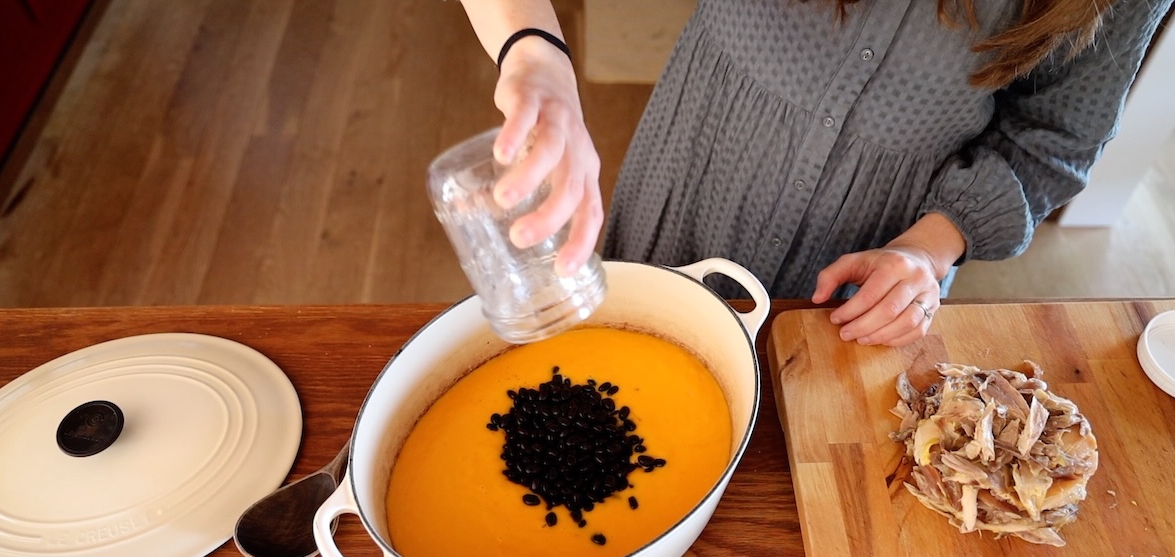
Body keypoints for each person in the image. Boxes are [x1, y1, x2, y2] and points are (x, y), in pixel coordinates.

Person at [457, 0, 1172, 346]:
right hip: (693, 175)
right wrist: (532, 54)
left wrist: (931, 245)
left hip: (873, 267)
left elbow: (1054, 139)